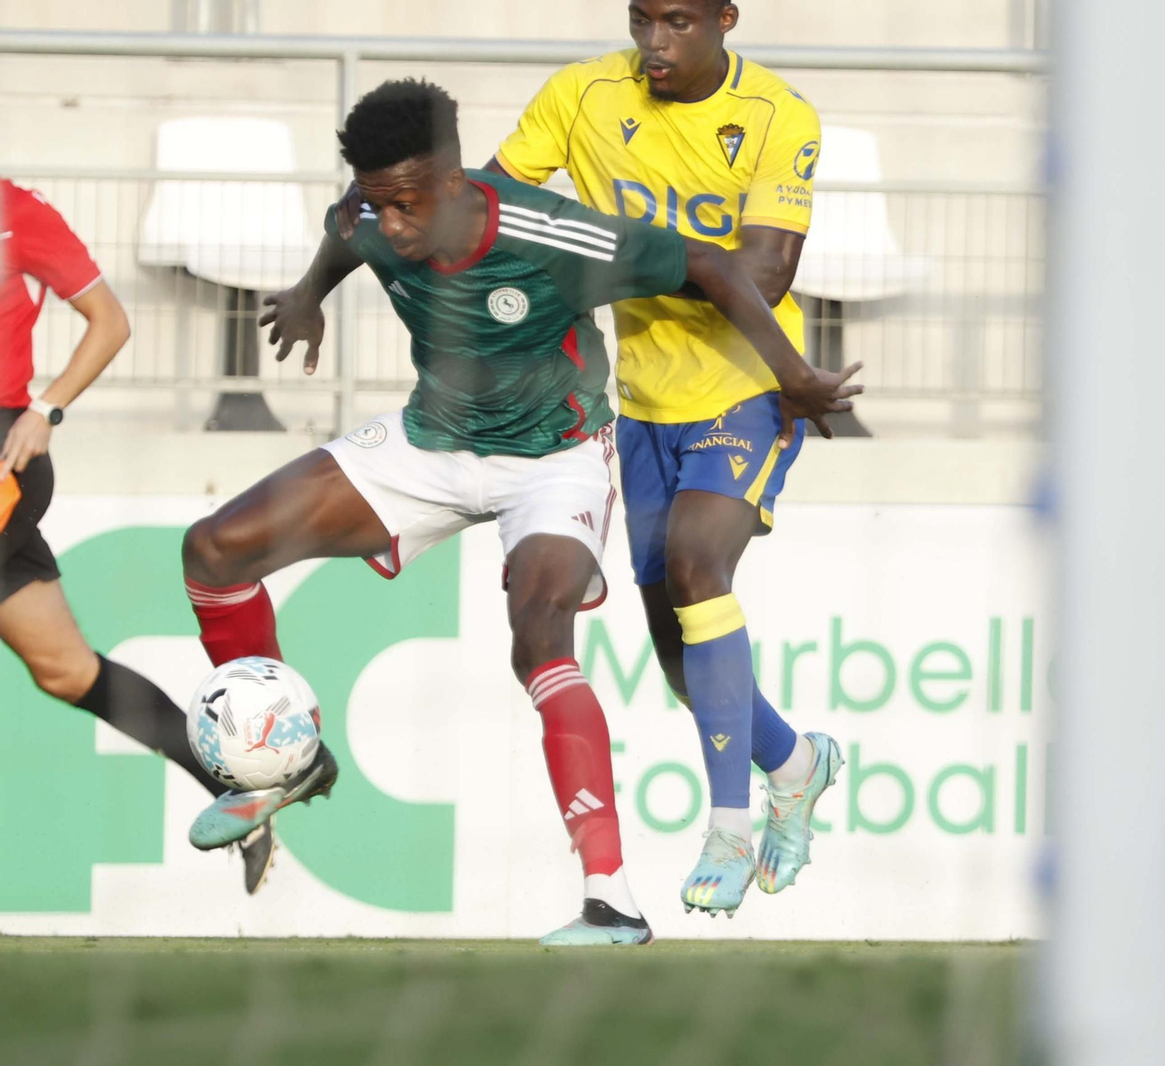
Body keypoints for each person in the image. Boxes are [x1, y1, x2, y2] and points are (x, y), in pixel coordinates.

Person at [183, 79, 857, 944]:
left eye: (408, 204)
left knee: (539, 637)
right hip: (432, 443)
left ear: (454, 180)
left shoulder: (553, 234)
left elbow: (714, 265)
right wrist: (309, 292)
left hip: (555, 459)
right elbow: (344, 233)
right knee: (214, 548)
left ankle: (611, 900)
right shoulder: (370, 213)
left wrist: (795, 375)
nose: (393, 225)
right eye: (380, 202)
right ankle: (287, 764)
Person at [488, 0, 849, 918]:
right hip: (644, 403)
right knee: (677, 658)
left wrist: (594, 259)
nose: (655, 42)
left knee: (697, 564)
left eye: (679, 22)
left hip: (751, 386)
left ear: (726, 19)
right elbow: (490, 204)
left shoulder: (776, 116)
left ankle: (728, 830)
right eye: (642, 19)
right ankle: (796, 765)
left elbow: (763, 272)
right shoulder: (582, 95)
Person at [0, 178, 275, 893]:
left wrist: (46, 410)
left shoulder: (16, 212)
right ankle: (240, 793)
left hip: (6, 457)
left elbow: (111, 321)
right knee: (67, 671)